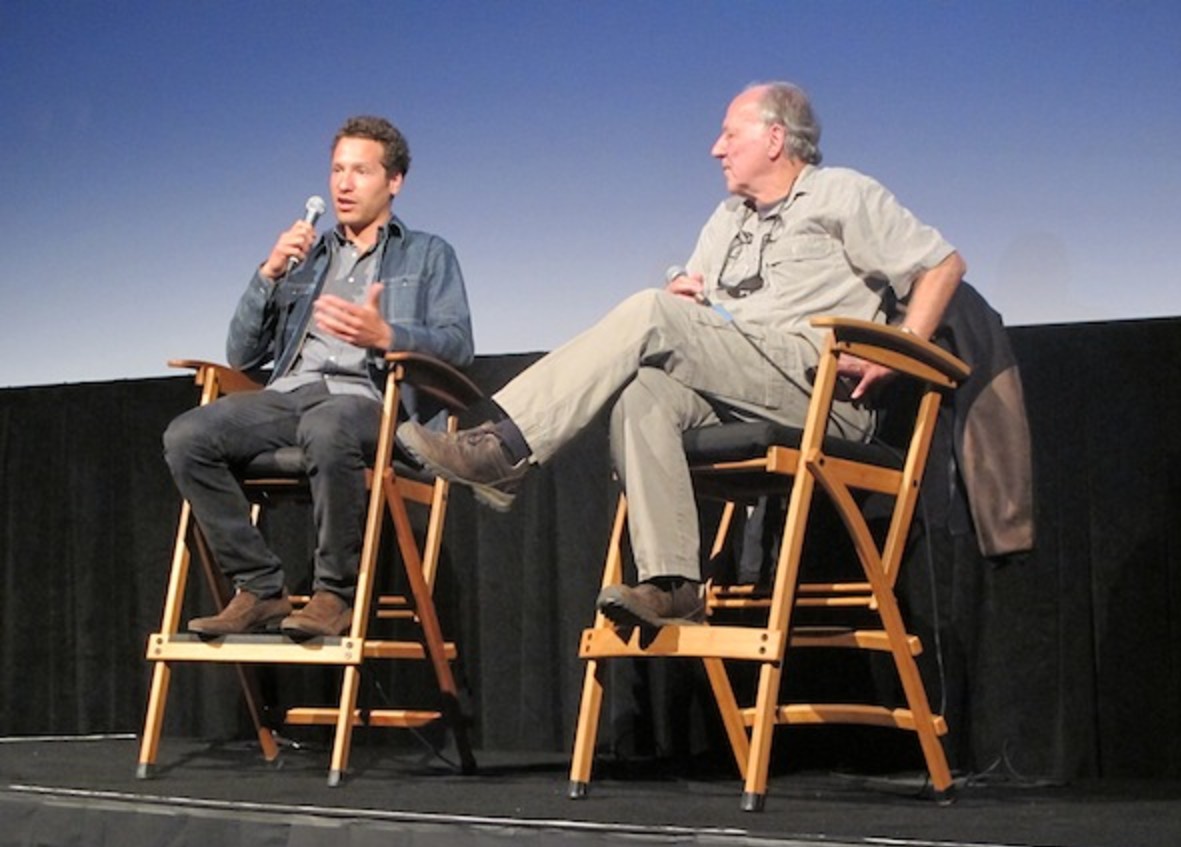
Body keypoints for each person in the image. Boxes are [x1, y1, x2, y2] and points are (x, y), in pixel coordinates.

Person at [398, 82, 964, 629]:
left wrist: (903, 348)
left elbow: (941, 265)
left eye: (729, 134)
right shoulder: (727, 221)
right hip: (740, 385)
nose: (716, 148)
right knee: (643, 391)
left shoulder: (843, 193)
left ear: (774, 139)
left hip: (818, 388)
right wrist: (687, 303)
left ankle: (507, 447)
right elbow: (693, 314)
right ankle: (675, 585)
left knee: (649, 312)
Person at [164, 115, 473, 639]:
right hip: (291, 396)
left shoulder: (427, 254)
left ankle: (335, 594)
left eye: (360, 171)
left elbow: (457, 344)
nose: (344, 184)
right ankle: (260, 588)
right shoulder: (308, 258)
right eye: (337, 170)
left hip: (369, 400)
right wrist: (268, 274)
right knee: (187, 436)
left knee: (328, 424)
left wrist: (387, 334)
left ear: (394, 181)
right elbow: (241, 353)